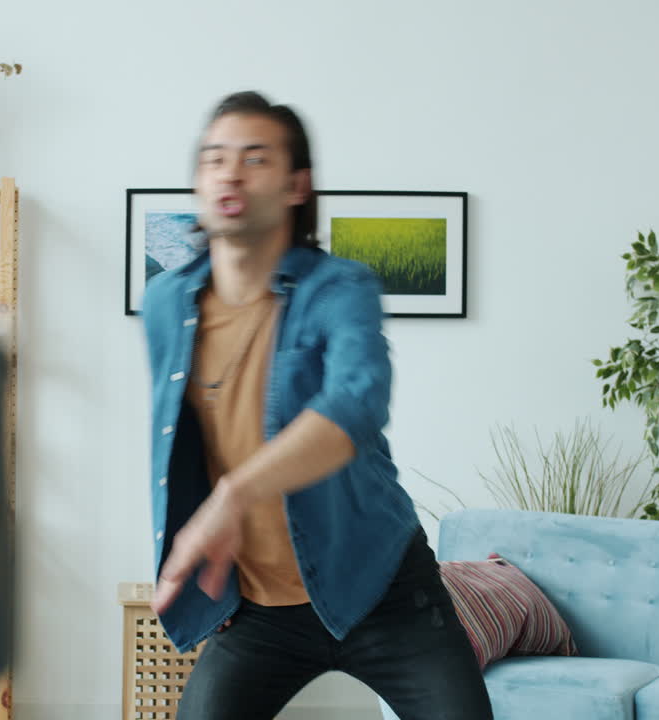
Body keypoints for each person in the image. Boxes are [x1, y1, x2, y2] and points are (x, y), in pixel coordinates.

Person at [141, 91, 493, 720]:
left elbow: (355, 406)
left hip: (382, 590)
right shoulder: (168, 302)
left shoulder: (340, 287)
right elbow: (183, 446)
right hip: (253, 609)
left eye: (255, 158)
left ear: (297, 184)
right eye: (215, 158)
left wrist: (232, 498)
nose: (230, 172)